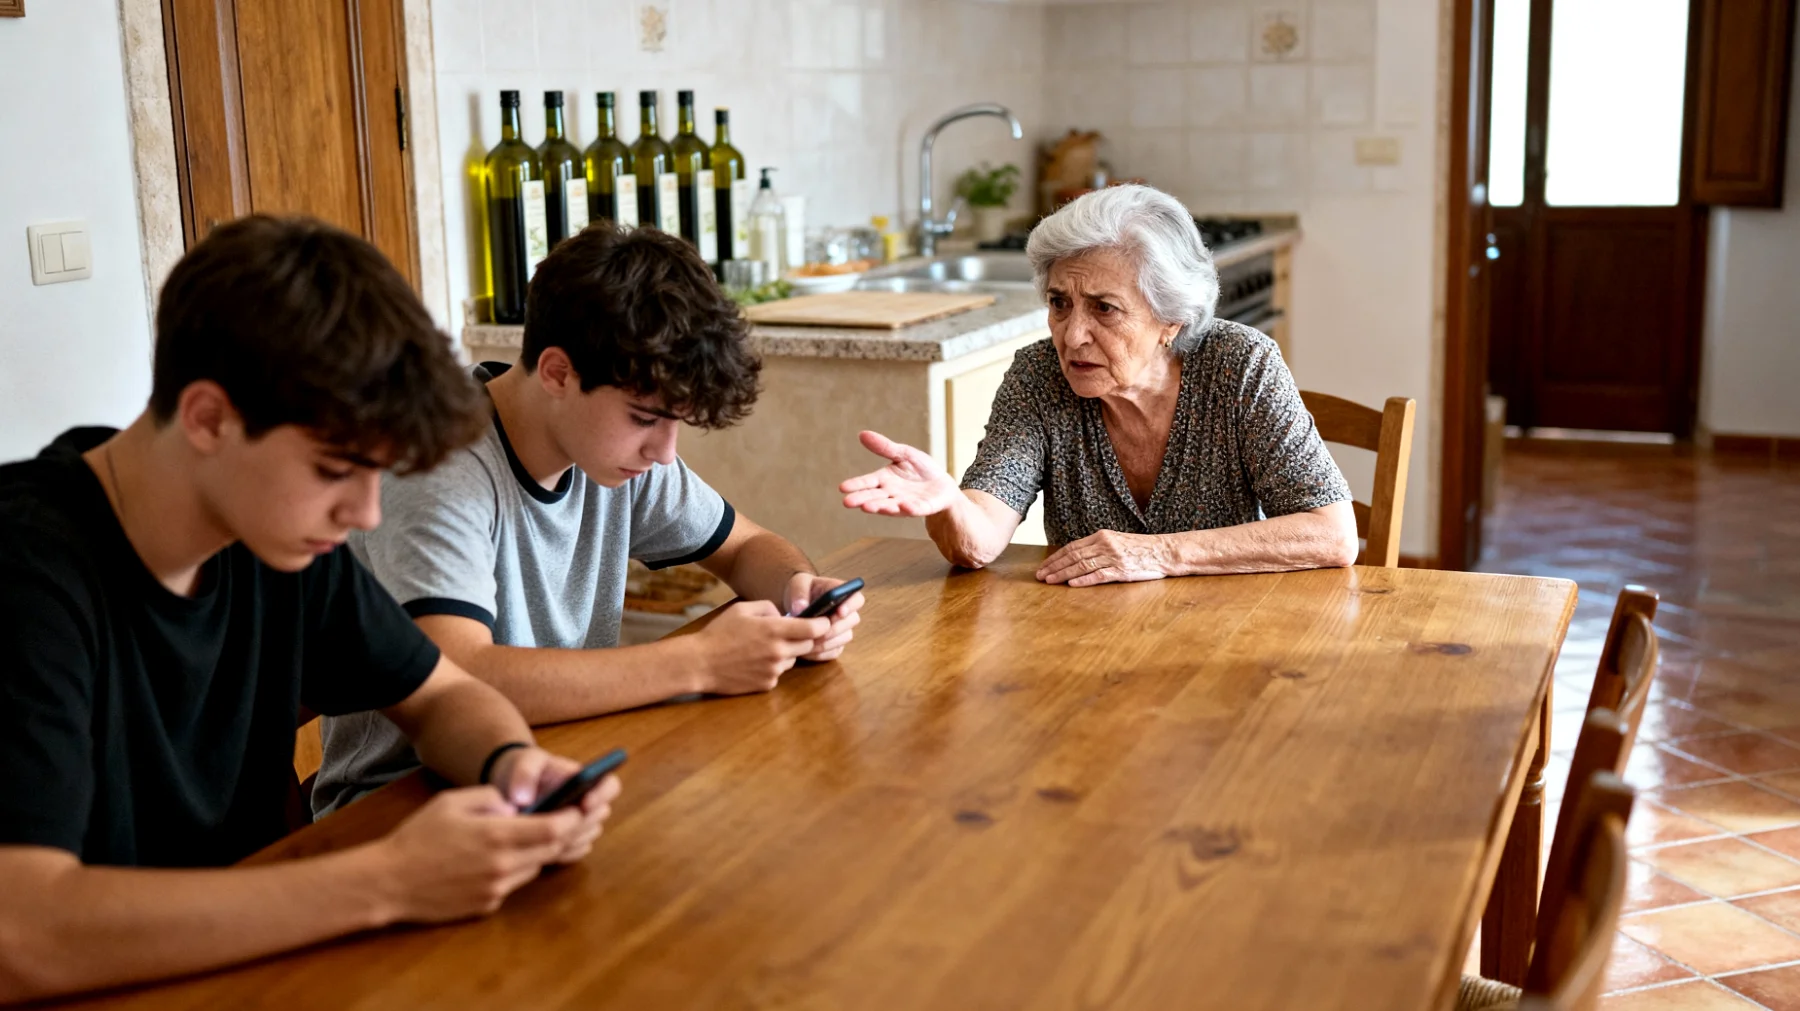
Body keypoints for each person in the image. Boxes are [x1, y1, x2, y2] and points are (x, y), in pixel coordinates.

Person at [0, 217, 622, 1005]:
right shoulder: (28, 575)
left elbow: (444, 695)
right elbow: (23, 932)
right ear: (208, 418)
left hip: (268, 962)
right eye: (336, 471)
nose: (365, 513)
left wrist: (512, 768)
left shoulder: (272, 535)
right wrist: (389, 879)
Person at [313, 223, 863, 815]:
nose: (666, 452)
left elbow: (745, 546)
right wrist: (699, 661)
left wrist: (798, 591)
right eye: (645, 418)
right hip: (403, 804)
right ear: (557, 373)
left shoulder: (613, 453)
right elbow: (456, 676)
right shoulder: (438, 469)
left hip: (560, 767)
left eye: (677, 422)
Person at [840, 184, 1360, 585]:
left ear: (1171, 321)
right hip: (1086, 643)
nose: (1073, 335)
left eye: (1104, 309)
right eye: (1059, 303)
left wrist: (1157, 553)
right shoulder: (1040, 376)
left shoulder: (1238, 364)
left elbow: (1332, 535)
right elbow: (978, 542)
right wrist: (949, 503)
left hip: (1228, 632)